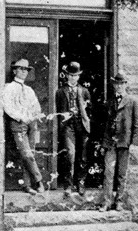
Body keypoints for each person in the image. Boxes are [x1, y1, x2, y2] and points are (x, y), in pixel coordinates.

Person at [3, 58, 45, 195]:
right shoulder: (9, 88)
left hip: (31, 124)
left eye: (26, 70)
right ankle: (39, 181)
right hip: (18, 124)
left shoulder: (29, 90)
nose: (24, 72)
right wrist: (21, 117)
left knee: (31, 153)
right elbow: (8, 107)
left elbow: (36, 107)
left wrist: (34, 115)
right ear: (14, 71)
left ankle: (27, 185)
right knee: (26, 154)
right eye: (21, 69)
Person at [100, 72, 138, 211]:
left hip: (124, 142)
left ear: (125, 85)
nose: (119, 86)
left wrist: (134, 143)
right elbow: (106, 124)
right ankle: (106, 202)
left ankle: (119, 202)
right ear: (114, 85)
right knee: (108, 172)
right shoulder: (110, 102)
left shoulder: (132, 101)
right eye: (116, 84)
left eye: (121, 84)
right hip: (111, 142)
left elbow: (137, 123)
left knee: (122, 174)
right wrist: (104, 144)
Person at [55, 61, 91, 196]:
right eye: (70, 75)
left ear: (79, 76)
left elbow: (90, 110)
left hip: (81, 125)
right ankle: (68, 185)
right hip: (68, 126)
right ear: (66, 75)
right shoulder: (60, 91)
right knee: (70, 154)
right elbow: (58, 110)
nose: (73, 78)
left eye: (75, 75)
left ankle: (80, 182)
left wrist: (86, 118)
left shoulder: (85, 91)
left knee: (83, 156)